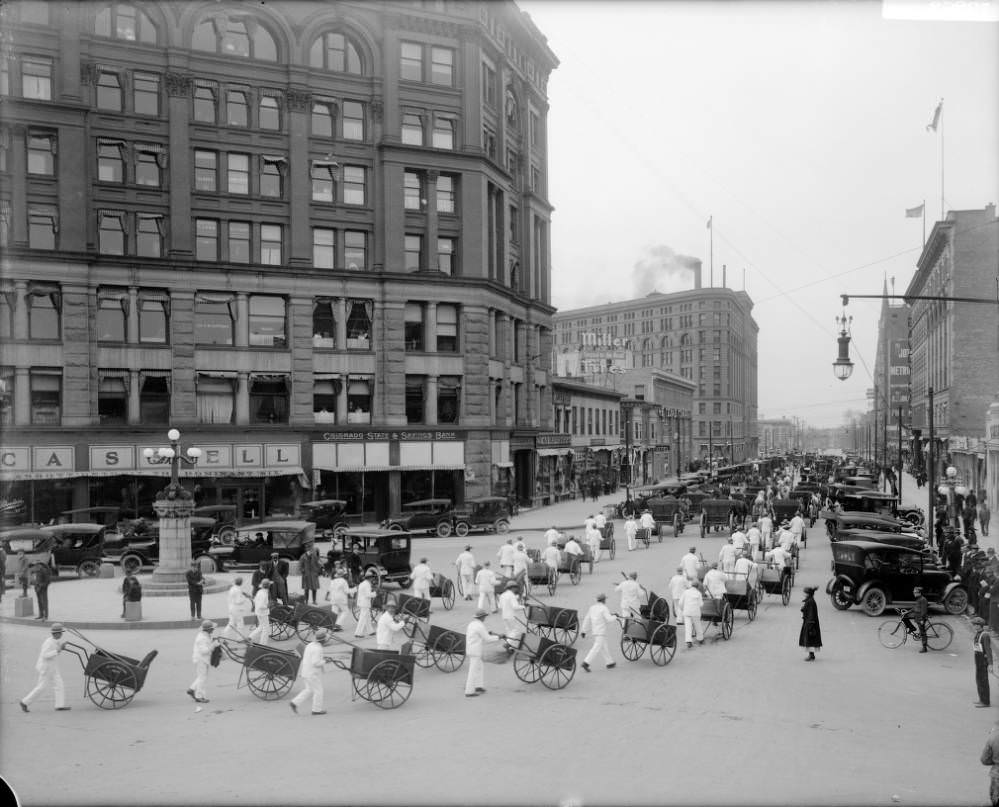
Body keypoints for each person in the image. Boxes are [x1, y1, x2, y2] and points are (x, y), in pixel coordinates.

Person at [20, 623, 72, 712]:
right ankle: (24, 702)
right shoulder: (48, 642)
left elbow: (56, 651)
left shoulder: (55, 641)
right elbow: (45, 655)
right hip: (46, 669)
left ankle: (59, 705)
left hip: (53, 668)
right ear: (55, 634)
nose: (61, 634)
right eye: (60, 633)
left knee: (59, 685)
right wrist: (58, 650)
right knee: (41, 687)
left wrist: (60, 648)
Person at [290, 628, 329, 715]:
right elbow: (316, 663)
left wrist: (323, 659)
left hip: (305, 672)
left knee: (309, 689)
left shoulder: (310, 645)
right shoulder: (318, 649)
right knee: (319, 691)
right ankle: (316, 710)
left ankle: (294, 703)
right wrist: (325, 661)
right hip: (312, 674)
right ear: (322, 641)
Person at [464, 609, 499, 697]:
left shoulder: (472, 624)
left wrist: (489, 634)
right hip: (475, 651)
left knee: (479, 667)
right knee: (473, 671)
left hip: (470, 648)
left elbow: (481, 634)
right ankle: (469, 691)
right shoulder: (480, 626)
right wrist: (499, 637)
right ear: (482, 617)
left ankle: (478, 686)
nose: (485, 618)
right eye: (484, 617)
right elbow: (487, 639)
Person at [580, 593, 617, 672]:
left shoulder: (592, 608)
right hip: (601, 631)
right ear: (604, 600)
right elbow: (609, 619)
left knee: (604, 647)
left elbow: (587, 619)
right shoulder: (604, 608)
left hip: (595, 631)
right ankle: (586, 662)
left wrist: (584, 630)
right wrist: (615, 616)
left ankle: (609, 662)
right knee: (596, 647)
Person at [187, 620, 216, 704]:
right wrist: (213, 645)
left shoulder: (205, 635)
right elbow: (204, 651)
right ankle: (199, 696)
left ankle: (192, 689)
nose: (213, 630)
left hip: (203, 659)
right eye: (212, 629)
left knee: (201, 676)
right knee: (202, 678)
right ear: (208, 629)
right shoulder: (201, 638)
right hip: (201, 659)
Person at [498, 581, 526, 648]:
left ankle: (510, 646)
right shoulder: (512, 595)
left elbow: (499, 606)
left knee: (509, 631)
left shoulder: (502, 595)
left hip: (504, 615)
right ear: (512, 588)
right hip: (511, 616)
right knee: (515, 630)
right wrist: (523, 606)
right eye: (515, 587)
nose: (516, 589)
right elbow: (515, 607)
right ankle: (508, 643)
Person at [901, 587, 929, 652]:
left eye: (916, 592)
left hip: (921, 617)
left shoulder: (923, 600)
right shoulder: (918, 599)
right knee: (904, 617)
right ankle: (912, 628)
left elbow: (924, 611)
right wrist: (907, 612)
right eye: (914, 592)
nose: (914, 593)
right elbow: (915, 608)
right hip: (916, 615)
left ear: (920, 593)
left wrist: (922, 619)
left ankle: (924, 648)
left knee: (922, 632)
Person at [974, 617, 993, 707]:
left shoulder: (985, 635)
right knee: (979, 680)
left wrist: (990, 664)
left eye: (976, 624)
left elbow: (988, 650)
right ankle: (981, 699)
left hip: (983, 661)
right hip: (978, 660)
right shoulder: (978, 633)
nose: (974, 626)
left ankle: (985, 702)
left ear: (980, 625)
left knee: (983, 681)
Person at [799, 586, 822, 661]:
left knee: (810, 639)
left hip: (810, 623)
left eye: (805, 593)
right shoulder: (809, 600)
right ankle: (811, 655)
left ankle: (811, 655)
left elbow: (811, 613)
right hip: (809, 622)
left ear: (808, 594)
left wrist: (810, 624)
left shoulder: (811, 602)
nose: (803, 594)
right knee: (810, 639)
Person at [678, 581, 704, 648]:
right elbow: (701, 604)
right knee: (698, 625)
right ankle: (700, 639)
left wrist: (683, 609)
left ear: (691, 585)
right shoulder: (698, 593)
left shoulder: (685, 592)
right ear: (697, 587)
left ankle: (688, 641)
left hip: (687, 612)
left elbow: (680, 603)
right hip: (695, 612)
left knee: (688, 627)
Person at [353, 570, 378, 638]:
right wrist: (375, 594)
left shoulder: (362, 583)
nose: (373, 579)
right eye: (372, 577)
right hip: (365, 603)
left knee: (367, 618)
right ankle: (358, 633)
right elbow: (368, 594)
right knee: (363, 618)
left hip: (362, 602)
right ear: (369, 578)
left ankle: (370, 631)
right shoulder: (367, 584)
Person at [249, 579, 272, 646]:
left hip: (258, 612)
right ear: (268, 586)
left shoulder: (259, 591)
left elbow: (255, 601)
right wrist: (268, 606)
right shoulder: (264, 594)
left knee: (261, 626)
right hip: (263, 613)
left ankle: (250, 637)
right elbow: (261, 605)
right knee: (266, 629)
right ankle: (263, 643)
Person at [981, 720, 999, 806]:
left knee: (995, 798)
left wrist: (995, 761)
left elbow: (984, 759)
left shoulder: (993, 737)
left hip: (997, 773)